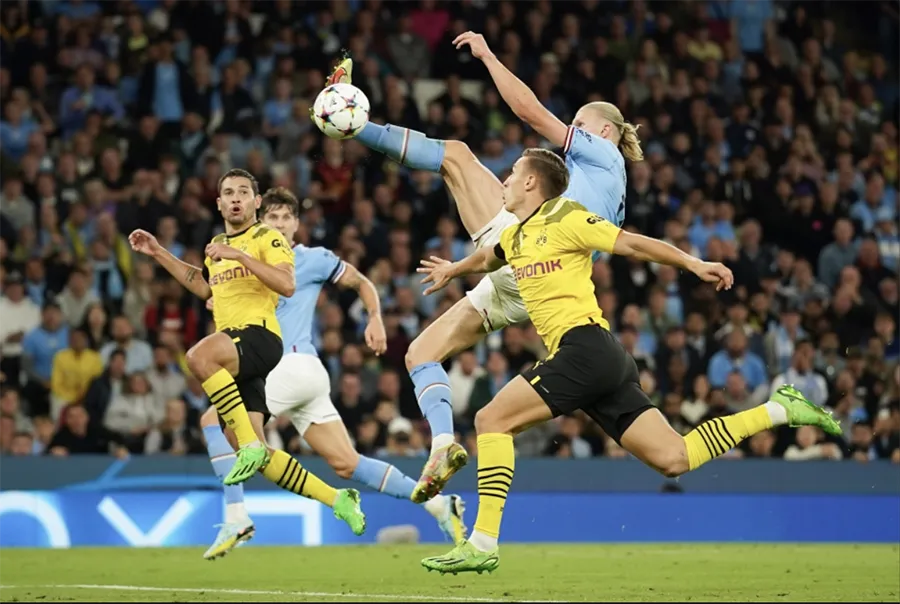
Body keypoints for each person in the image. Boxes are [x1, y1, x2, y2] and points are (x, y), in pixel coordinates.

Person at [416, 149, 841, 574]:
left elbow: (633, 244)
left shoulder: (568, 217)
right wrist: (454, 270)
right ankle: (781, 408)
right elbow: (489, 257)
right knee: (675, 458)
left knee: (491, 420)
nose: (504, 181)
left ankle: (483, 542)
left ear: (531, 183)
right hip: (603, 360)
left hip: (584, 348)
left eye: (512, 174)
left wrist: (693, 263)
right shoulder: (518, 236)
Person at [323, 35, 644, 502]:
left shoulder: (604, 153)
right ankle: (442, 444)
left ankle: (357, 127)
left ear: (607, 132)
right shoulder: (611, 193)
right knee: (420, 353)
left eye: (580, 124)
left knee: (454, 154)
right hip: (530, 286)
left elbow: (532, 113)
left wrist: (490, 57)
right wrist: (459, 269)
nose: (572, 129)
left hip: (528, 253)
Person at [201, 187, 467, 559]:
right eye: (272, 218)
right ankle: (440, 505)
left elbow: (361, 281)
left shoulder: (310, 259)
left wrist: (375, 317)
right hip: (303, 376)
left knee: (215, 420)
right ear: (262, 221)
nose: (278, 224)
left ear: (296, 225)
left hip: (290, 365)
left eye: (285, 218)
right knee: (347, 463)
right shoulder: (247, 261)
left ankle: (236, 516)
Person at [127, 168, 296, 485]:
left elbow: (287, 284)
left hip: (259, 336)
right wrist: (159, 252)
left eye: (243, 192)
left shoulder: (267, 237)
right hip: (236, 352)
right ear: (219, 204)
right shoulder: (217, 243)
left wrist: (240, 256)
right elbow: (205, 287)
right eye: (229, 193)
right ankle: (337, 498)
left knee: (197, 357)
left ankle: (249, 448)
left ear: (257, 202)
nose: (236, 198)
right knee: (253, 448)